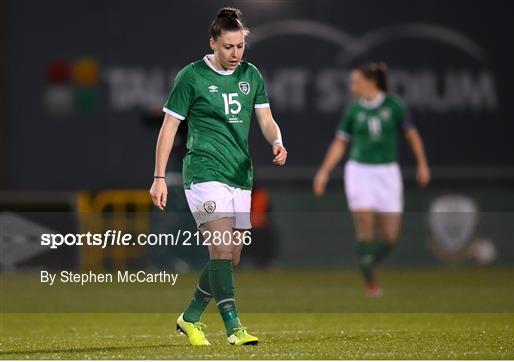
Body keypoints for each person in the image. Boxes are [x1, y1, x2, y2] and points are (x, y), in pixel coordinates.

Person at [149, 7, 287, 346]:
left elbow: (266, 120)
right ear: (212, 42)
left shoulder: (251, 75)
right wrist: (159, 177)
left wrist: (277, 140)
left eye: (240, 46)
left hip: (240, 175)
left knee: (232, 257)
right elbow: (169, 128)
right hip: (204, 172)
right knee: (222, 250)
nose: (235, 54)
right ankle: (234, 327)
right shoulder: (192, 76)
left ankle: (190, 317)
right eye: (228, 47)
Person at [313, 63, 430, 297]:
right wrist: (324, 171)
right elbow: (340, 143)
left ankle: (369, 260)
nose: (352, 86)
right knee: (365, 223)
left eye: (355, 81)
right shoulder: (353, 109)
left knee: (390, 236)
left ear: (371, 82)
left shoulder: (393, 105)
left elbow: (412, 135)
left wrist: (422, 163)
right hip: (359, 171)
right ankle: (369, 278)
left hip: (387, 173)